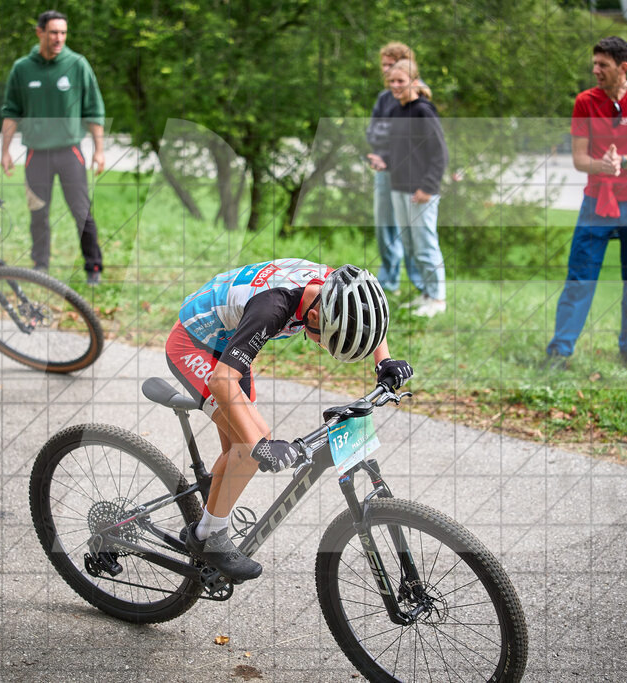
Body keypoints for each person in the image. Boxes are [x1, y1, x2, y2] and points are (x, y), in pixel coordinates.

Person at [166, 259, 414, 581]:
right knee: (251, 441)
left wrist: (384, 361)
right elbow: (221, 380)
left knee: (240, 449)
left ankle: (213, 508)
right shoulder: (272, 308)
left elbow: (361, 306)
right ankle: (208, 536)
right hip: (193, 344)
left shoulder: (333, 287)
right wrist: (260, 446)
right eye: (327, 340)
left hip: (229, 337)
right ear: (312, 317)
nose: (323, 346)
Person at [545, 36, 627, 371]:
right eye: (594, 63)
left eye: (603, 65)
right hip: (596, 200)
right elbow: (581, 159)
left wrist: (621, 162)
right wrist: (604, 166)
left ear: (622, 67)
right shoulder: (585, 101)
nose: (595, 70)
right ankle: (559, 353)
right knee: (579, 277)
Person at [0, 9, 106, 285]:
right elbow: (11, 111)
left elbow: (93, 109)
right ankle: (40, 266)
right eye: (53, 32)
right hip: (36, 154)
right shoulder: (22, 68)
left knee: (82, 213)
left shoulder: (77, 64)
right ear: (40, 33)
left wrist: (99, 149)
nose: (59, 38)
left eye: (63, 33)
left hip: (70, 152)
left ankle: (93, 267)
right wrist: (5, 151)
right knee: (38, 214)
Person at [385, 57, 449, 318]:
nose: (395, 85)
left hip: (421, 190)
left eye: (400, 81)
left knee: (425, 245)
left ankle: (437, 299)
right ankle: (425, 294)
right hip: (399, 187)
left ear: (413, 80)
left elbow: (440, 153)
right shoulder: (396, 110)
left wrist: (428, 187)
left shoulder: (424, 110)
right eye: (391, 81)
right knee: (410, 246)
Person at [365, 42, 425, 297]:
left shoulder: (419, 97)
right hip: (384, 172)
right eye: (385, 67)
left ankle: (422, 286)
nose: (388, 73)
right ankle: (389, 283)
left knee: (413, 231)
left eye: (393, 66)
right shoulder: (384, 97)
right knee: (384, 227)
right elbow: (373, 132)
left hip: (410, 174)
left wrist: (387, 149)